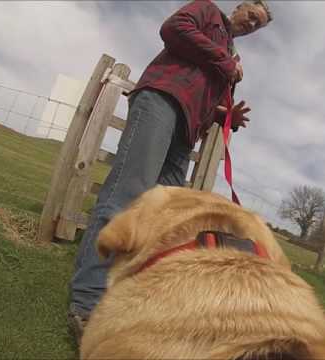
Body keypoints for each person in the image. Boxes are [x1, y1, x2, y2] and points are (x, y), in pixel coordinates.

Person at [67, 0, 273, 343]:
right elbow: (174, 30)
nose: (253, 22)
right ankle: (87, 303)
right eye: (253, 14)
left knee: (165, 221)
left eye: (259, 24)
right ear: (239, 6)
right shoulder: (208, 13)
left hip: (186, 131)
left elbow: (207, 102)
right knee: (126, 196)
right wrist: (224, 62)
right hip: (162, 98)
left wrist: (226, 117)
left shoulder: (232, 56)